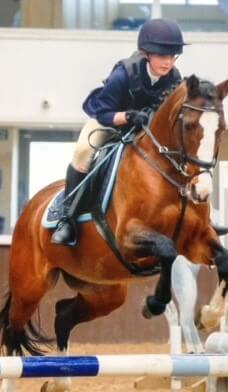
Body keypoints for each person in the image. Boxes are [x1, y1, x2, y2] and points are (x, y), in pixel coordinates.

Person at [52, 18, 187, 246]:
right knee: (83, 151)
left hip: (144, 129)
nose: (169, 62)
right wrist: (128, 116)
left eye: (173, 57)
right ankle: (67, 218)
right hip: (109, 120)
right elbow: (103, 112)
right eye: (163, 56)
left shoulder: (174, 78)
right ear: (147, 54)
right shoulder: (124, 74)